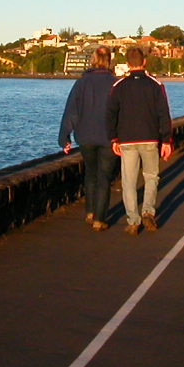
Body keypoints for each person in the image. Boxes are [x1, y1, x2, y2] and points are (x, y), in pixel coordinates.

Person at [106, 47, 173, 235]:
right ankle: (148, 211)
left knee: (128, 181)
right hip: (150, 138)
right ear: (144, 62)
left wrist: (113, 138)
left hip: (126, 140)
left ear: (127, 64)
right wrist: (166, 140)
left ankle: (133, 220)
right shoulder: (155, 85)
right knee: (151, 176)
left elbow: (111, 114)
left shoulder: (118, 86)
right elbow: (163, 113)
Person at [57, 46, 117, 232]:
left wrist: (64, 137)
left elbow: (71, 111)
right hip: (108, 136)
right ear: (109, 60)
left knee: (90, 173)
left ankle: (90, 211)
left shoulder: (82, 83)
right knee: (104, 177)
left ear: (92, 60)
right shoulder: (115, 83)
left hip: (85, 136)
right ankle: (99, 218)